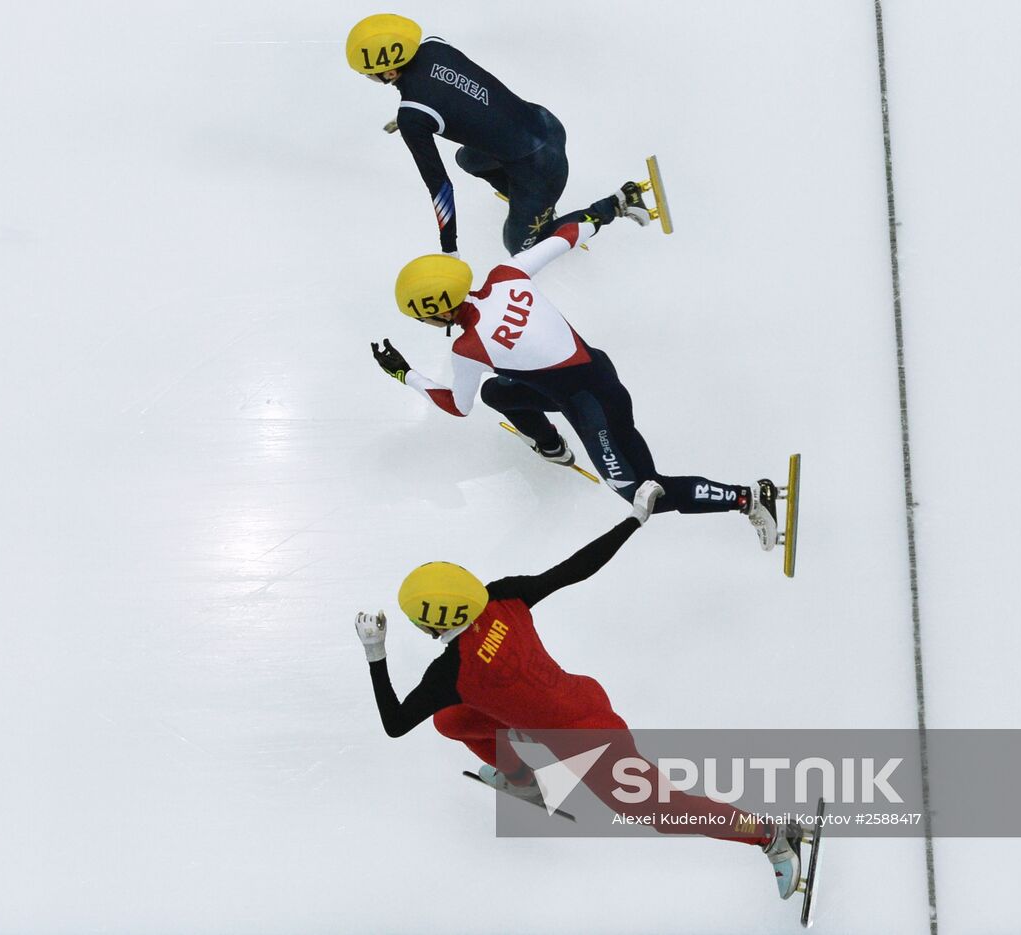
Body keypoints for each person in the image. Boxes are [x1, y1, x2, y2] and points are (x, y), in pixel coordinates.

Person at [353, 481, 807, 900]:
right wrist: (634, 518)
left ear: (434, 621)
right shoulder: (502, 597)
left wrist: (375, 651)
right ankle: (523, 781)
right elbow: (575, 569)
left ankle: (769, 834)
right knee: (452, 719)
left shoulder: (446, 676)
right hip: (583, 697)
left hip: (590, 743)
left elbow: (395, 724)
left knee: (663, 812)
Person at [369, 212, 781, 546]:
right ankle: (551, 445)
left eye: (420, 315)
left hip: (592, 410)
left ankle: (747, 497)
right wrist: (612, 207)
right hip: (597, 373)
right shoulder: (505, 274)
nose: (423, 322)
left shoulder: (468, 348)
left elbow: (457, 407)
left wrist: (406, 374)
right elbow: (565, 236)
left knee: (644, 494)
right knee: (497, 391)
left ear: (439, 310)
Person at [345, 13, 652, 256]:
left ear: (388, 72)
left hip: (541, 168)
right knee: (468, 159)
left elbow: (440, 189)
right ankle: (530, 202)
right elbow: (449, 89)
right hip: (545, 122)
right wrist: (413, 117)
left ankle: (619, 202)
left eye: (366, 72)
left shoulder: (413, 115)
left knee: (521, 248)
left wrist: (450, 248)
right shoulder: (434, 46)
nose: (366, 77)